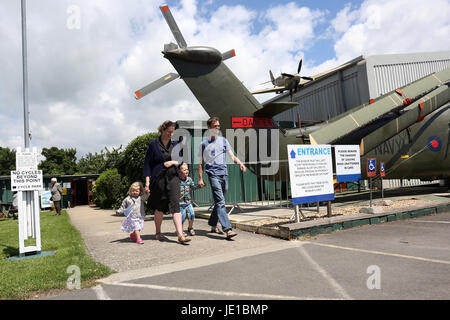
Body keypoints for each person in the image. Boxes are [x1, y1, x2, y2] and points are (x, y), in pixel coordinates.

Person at [143, 120, 191, 244]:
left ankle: (180, 235)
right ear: (163, 130)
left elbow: (181, 161)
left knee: (176, 205)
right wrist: (147, 183)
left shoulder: (175, 145)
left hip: (173, 177)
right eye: (169, 131)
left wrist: (173, 162)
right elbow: (147, 164)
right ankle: (158, 232)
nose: (171, 134)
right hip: (158, 179)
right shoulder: (153, 144)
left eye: (173, 132)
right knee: (159, 207)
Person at [198, 117, 246, 239]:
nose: (218, 128)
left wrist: (240, 163)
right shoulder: (203, 144)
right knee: (220, 201)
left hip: (224, 174)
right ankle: (227, 229)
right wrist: (200, 178)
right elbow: (200, 163)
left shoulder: (224, 141)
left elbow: (231, 156)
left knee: (219, 201)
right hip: (212, 174)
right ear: (209, 128)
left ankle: (213, 224)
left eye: (219, 126)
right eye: (215, 126)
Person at [178, 163, 201, 236]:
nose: (187, 171)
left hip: (188, 202)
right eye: (184, 170)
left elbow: (193, 187)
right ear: (179, 171)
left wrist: (199, 186)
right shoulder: (177, 180)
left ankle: (190, 228)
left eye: (187, 169)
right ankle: (181, 230)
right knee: (182, 217)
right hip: (180, 203)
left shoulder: (189, 180)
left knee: (192, 214)